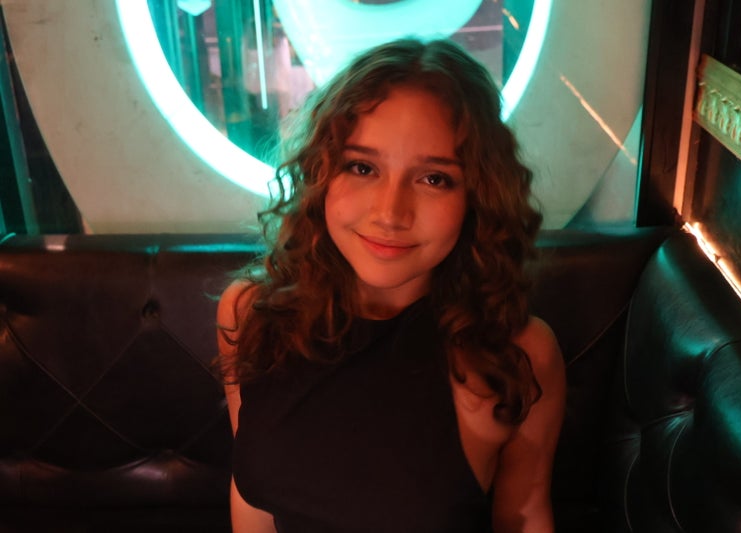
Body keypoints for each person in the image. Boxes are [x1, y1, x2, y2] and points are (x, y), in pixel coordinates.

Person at [216, 37, 566, 533]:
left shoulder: (519, 352)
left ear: (478, 196)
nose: (390, 213)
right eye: (362, 167)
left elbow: (523, 517)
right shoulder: (249, 314)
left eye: (434, 178)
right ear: (321, 174)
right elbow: (252, 496)